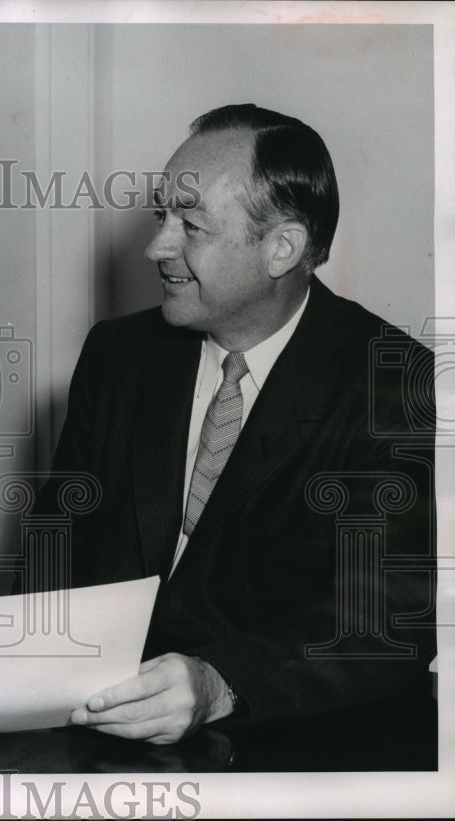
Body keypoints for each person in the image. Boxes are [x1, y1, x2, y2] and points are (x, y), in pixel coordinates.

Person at [26, 104, 436, 745]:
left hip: (293, 747)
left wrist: (220, 685)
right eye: (162, 215)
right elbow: (52, 568)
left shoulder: (390, 380)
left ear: (282, 248)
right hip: (106, 736)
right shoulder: (117, 356)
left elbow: (385, 626)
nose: (155, 246)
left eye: (190, 225)